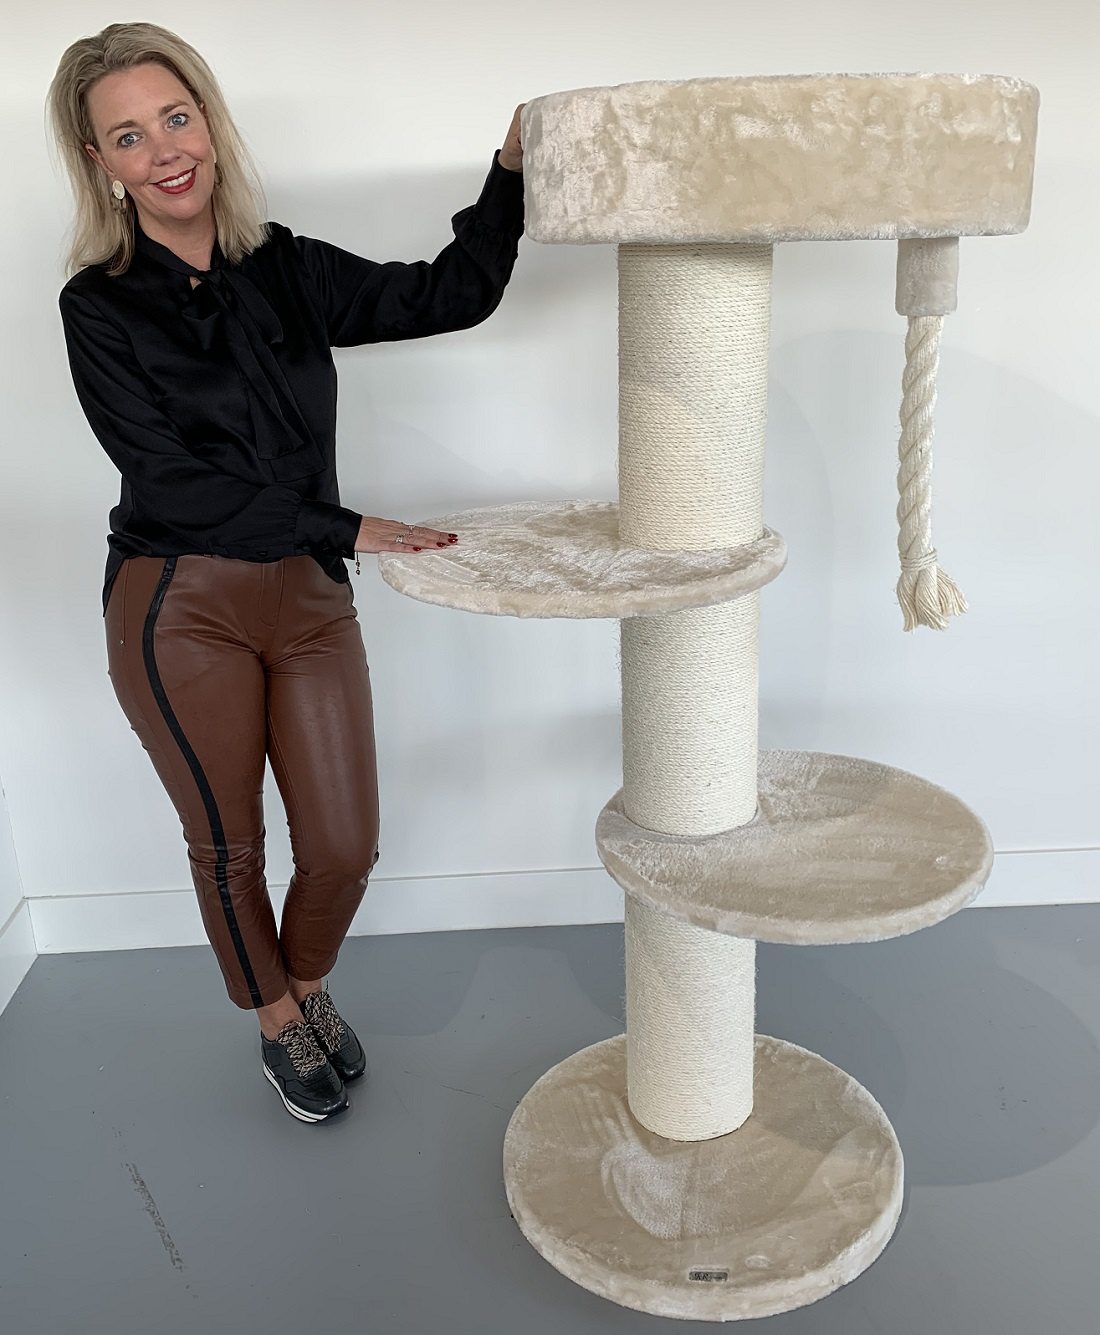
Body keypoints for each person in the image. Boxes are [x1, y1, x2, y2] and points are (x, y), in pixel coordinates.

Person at [47, 22, 526, 1123]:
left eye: (176, 117)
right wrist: (345, 525)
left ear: (209, 123)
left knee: (344, 844)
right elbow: (170, 482)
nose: (165, 150)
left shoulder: (288, 267)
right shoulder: (98, 307)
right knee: (229, 846)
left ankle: (304, 985)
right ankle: (274, 1022)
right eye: (129, 136)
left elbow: (448, 293)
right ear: (101, 165)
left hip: (307, 597)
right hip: (181, 604)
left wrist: (507, 174)